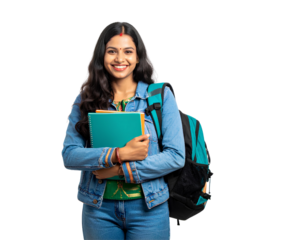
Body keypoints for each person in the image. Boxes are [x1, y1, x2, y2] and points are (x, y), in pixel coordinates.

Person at [60, 21, 185, 240]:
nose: (120, 59)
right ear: (102, 56)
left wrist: (120, 171)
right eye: (112, 51)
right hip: (99, 211)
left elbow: (175, 157)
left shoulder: (161, 98)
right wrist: (118, 154)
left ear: (138, 57)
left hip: (150, 209)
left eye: (128, 51)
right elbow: (68, 155)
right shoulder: (83, 101)